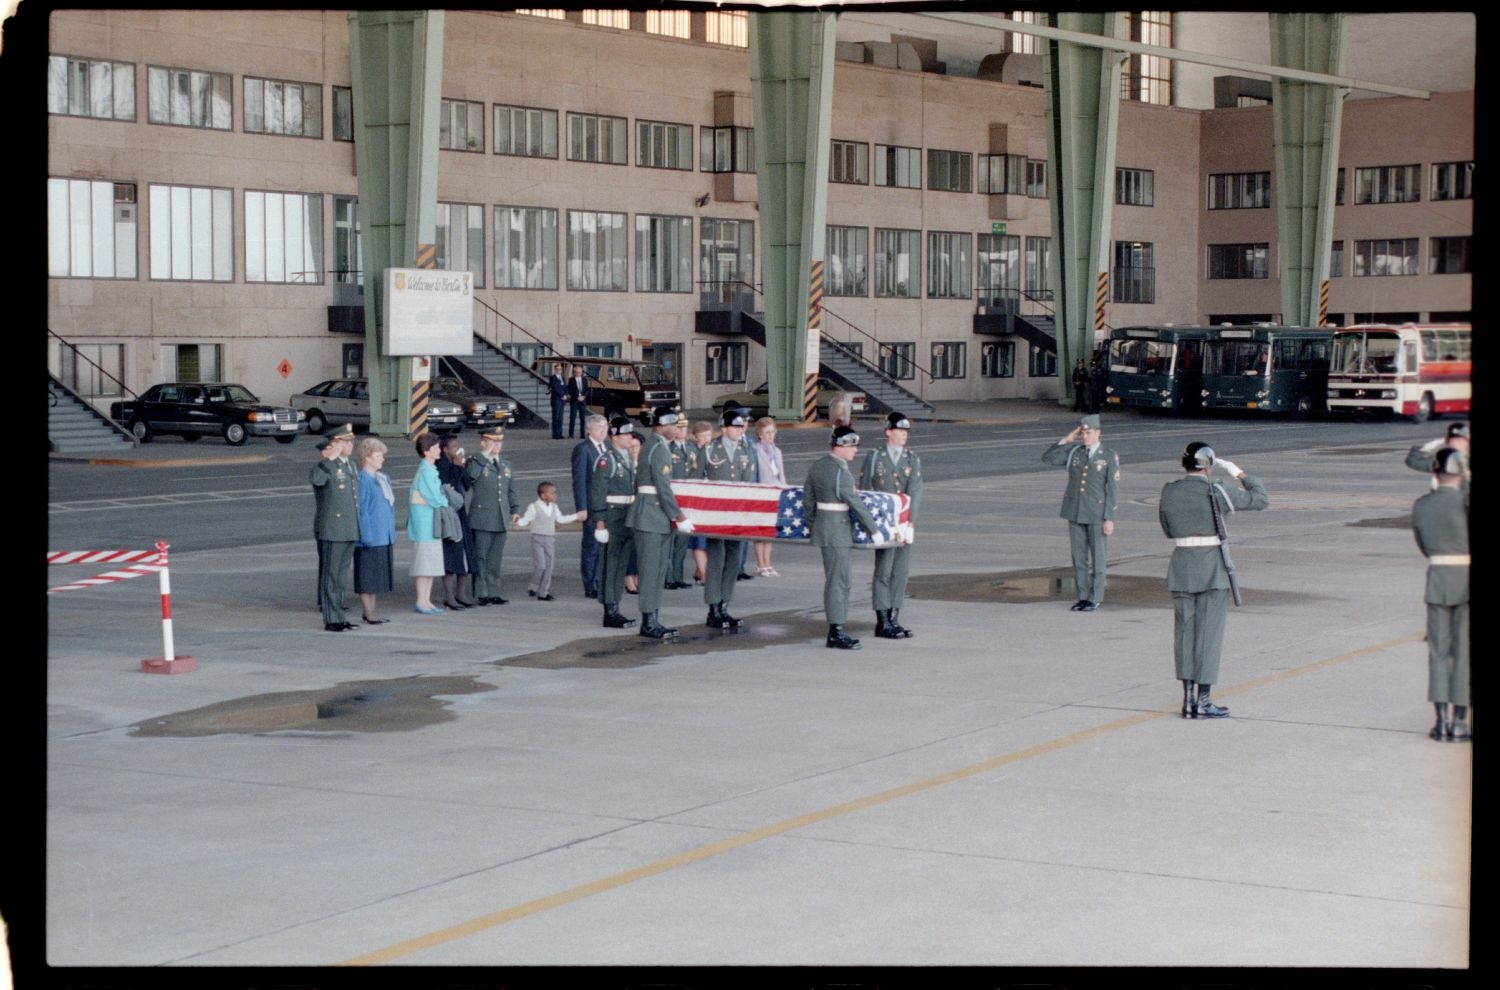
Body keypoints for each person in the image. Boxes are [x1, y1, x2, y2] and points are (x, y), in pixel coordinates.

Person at [1158, 442, 1269, 718]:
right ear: (1208, 465)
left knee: (1184, 633)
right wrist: (1239, 474)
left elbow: (1167, 528)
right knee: (1209, 635)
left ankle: (1186, 700)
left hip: (1182, 565)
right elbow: (1260, 499)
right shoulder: (1216, 489)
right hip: (1211, 568)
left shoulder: (1169, 491)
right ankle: (1204, 701)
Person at [805, 425, 892, 650]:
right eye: (853, 446)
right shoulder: (840, 472)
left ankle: (837, 628)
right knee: (839, 582)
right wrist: (874, 529)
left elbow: (808, 502)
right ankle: (836, 631)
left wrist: (817, 525)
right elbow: (855, 503)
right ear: (841, 446)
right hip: (838, 532)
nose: (855, 451)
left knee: (837, 580)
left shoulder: (819, 466)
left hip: (826, 529)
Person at [1411, 447, 1470, 742]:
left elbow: (1423, 547)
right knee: (1463, 653)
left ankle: (1441, 721)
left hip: (1437, 580)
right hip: (1466, 579)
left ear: (1434, 472)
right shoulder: (1465, 502)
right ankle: (1460, 723)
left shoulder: (1422, 505)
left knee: (1438, 652)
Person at [1041, 413, 1120, 612]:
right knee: (1079, 557)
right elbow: (1048, 458)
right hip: (1075, 511)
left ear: (1098, 433)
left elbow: (1112, 489)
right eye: (1083, 433)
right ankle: (1083, 596)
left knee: (1098, 558)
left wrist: (1109, 517)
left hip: (1096, 512)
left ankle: (1096, 597)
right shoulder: (1075, 452)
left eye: (1089, 432)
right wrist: (1066, 440)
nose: (1085, 436)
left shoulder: (1108, 455)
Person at [627, 407, 694, 639]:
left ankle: (652, 618)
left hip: (653, 515)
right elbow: (663, 488)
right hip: (652, 517)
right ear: (661, 425)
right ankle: (649, 621)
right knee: (651, 570)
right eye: (673, 425)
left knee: (657, 570)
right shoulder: (659, 449)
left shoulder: (655, 446)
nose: (677, 429)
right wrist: (679, 516)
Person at [859, 410, 923, 638]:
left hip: (903, 524)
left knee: (900, 572)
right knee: (883, 571)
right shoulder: (875, 457)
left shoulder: (912, 459)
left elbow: (915, 492)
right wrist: (871, 525)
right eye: (900, 430)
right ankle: (882, 620)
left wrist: (910, 523)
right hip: (884, 525)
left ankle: (894, 618)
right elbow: (865, 490)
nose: (904, 434)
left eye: (906, 430)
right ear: (888, 432)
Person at [702, 406, 758, 630]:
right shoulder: (709, 450)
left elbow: (751, 483)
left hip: (738, 514)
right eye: (735, 426)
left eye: (742, 426)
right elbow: (696, 481)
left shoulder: (746, 451)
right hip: (716, 515)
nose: (740, 429)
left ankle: (725, 605)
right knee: (716, 560)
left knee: (733, 560)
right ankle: (713, 608)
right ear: (724, 428)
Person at [309, 424, 360, 631]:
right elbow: (316, 479)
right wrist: (329, 458)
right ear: (334, 444)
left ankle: (339, 614)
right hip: (332, 528)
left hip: (348, 528)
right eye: (345, 442)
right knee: (330, 575)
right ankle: (331, 618)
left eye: (350, 441)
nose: (350, 445)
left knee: (340, 576)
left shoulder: (350, 465)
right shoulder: (327, 465)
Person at [591, 416, 638, 628]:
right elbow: (598, 492)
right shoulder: (606, 460)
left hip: (626, 517)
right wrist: (600, 521)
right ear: (615, 437)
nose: (629, 438)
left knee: (621, 564)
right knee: (610, 564)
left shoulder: (628, 458)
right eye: (625, 434)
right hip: (612, 517)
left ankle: (616, 605)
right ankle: (609, 610)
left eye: (630, 434)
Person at [465, 427, 520, 606]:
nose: (497, 445)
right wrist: (483, 456)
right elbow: (469, 479)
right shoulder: (475, 462)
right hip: (482, 517)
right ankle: (482, 592)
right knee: (481, 556)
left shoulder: (505, 463)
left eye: (499, 441)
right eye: (493, 441)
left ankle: (494, 591)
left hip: (501, 516)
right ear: (483, 442)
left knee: (495, 558)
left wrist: (515, 509)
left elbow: (510, 489)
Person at [515, 481, 583, 602]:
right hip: (537, 539)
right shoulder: (533, 507)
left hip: (550, 539)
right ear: (543, 495)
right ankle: (533, 586)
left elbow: (561, 519)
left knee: (549, 566)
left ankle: (543, 592)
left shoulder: (554, 507)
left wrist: (576, 516)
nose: (554, 495)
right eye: (552, 493)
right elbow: (526, 519)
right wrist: (518, 521)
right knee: (541, 565)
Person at [353, 437, 396, 625]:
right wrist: (366, 535)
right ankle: (368, 611)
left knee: (376, 576)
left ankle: (372, 610)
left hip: (383, 534)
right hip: (370, 536)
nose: (382, 459)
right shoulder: (363, 480)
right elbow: (362, 510)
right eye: (378, 456)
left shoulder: (383, 478)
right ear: (367, 458)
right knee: (366, 576)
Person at [408, 432, 450, 615]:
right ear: (426, 451)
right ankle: (421, 600)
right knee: (424, 563)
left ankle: (426, 600)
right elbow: (433, 497)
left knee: (430, 564)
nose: (439, 450)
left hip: (429, 521)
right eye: (435, 448)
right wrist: (446, 502)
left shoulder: (430, 469)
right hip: (424, 522)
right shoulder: (425, 470)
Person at [436, 434, 479, 610]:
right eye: (453, 446)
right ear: (445, 449)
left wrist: (462, 467)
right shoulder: (440, 465)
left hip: (460, 512)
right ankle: (449, 595)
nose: (457, 449)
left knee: (466, 553)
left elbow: (467, 485)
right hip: (448, 513)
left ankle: (461, 593)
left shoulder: (457, 463)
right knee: (451, 555)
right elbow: (447, 486)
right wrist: (455, 467)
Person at [571, 414, 610, 598]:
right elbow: (579, 481)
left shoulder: (608, 447)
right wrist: (582, 507)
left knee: (605, 546)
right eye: (599, 428)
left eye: (605, 427)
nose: (603, 431)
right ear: (589, 430)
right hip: (592, 506)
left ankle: (601, 580)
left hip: (608, 505)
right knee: (591, 546)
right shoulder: (583, 449)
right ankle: (590, 583)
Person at [750, 416, 787, 577]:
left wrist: (784, 489)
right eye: (767, 432)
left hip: (775, 491)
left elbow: (781, 473)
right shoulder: (755, 450)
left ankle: (768, 562)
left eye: (772, 432)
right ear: (760, 434)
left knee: (770, 531)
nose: (770, 435)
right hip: (761, 492)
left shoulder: (776, 451)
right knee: (760, 531)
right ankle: (761, 564)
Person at [666, 416, 700, 589]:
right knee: (670, 541)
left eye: (684, 428)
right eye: (678, 428)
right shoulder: (667, 448)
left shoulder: (692, 448)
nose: (681, 432)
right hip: (673, 500)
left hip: (687, 500)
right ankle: (668, 577)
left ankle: (678, 576)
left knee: (682, 541)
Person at [1406, 422, 1470, 498]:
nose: (1456, 444)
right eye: (1452, 440)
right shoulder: (1443, 458)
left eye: (1461, 441)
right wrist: (1427, 447)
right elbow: (1413, 461)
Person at [688, 420, 714, 584]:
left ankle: (700, 569)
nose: (706, 439)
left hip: (710, 499)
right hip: (696, 498)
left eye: (709, 435)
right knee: (698, 539)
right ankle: (703, 573)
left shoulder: (713, 452)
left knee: (709, 537)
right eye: (702, 436)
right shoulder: (693, 452)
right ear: (696, 436)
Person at [566, 363, 592, 439]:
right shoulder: (571, 380)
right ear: (574, 372)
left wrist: (583, 396)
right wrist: (577, 396)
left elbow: (587, 390)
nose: (578, 373)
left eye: (580, 372)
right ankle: (571, 435)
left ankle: (582, 434)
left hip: (583, 401)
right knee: (572, 418)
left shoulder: (584, 379)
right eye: (577, 372)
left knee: (583, 418)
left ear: (581, 372)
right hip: (574, 401)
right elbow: (570, 390)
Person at [547, 361, 568, 440]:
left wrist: (566, 395)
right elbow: (555, 388)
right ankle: (555, 434)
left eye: (560, 369)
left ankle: (560, 433)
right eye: (558, 369)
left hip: (562, 400)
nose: (559, 371)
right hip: (556, 400)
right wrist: (562, 395)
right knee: (555, 417)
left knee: (561, 417)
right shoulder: (553, 378)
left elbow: (565, 387)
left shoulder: (562, 377)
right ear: (555, 370)